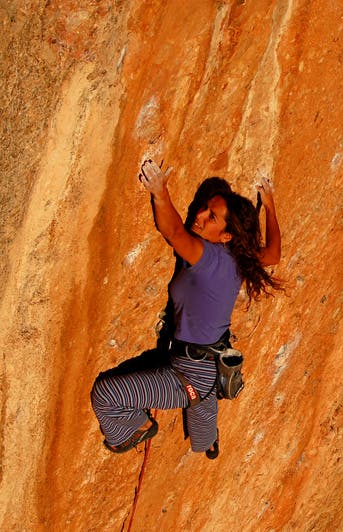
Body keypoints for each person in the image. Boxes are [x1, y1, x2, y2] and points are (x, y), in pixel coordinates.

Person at [91, 159, 281, 457]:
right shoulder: (239, 257)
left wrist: (159, 192)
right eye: (206, 207)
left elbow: (174, 233)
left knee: (106, 394)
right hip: (206, 364)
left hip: (190, 372)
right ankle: (208, 441)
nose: (201, 215)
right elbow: (273, 255)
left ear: (225, 236)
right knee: (202, 418)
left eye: (212, 217)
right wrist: (269, 205)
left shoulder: (207, 257)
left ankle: (136, 428)